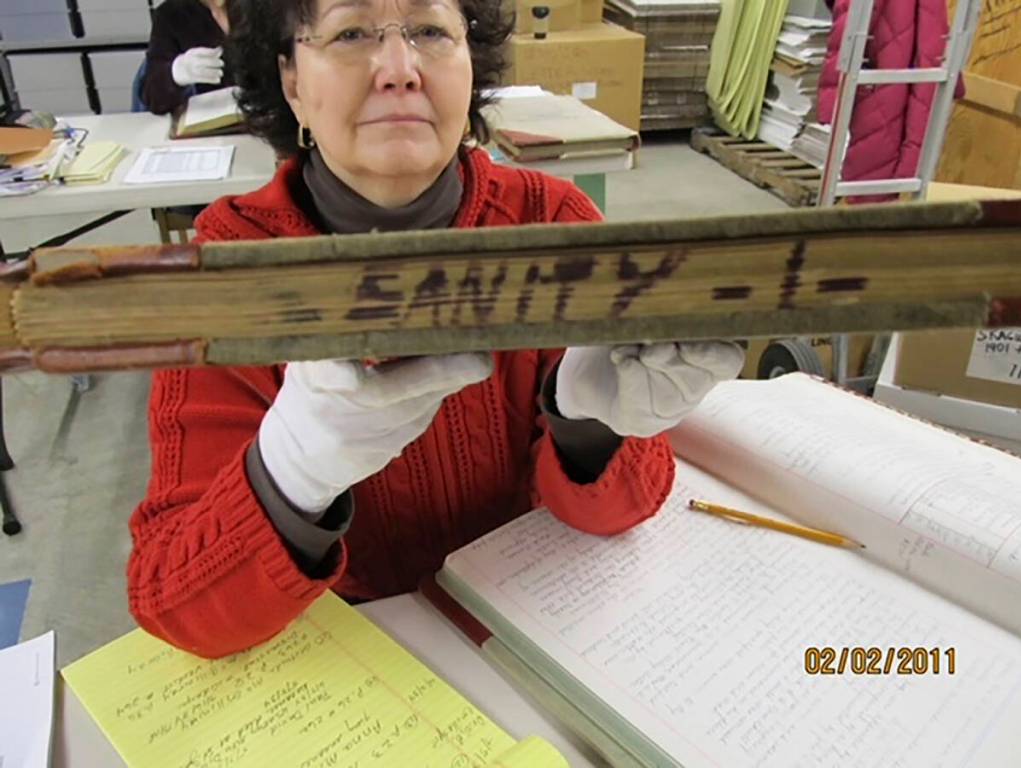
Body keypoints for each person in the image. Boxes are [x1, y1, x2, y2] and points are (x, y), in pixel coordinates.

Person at [126, 0, 745, 660]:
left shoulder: (552, 224)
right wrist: (285, 479)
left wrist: (591, 431)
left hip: (530, 639)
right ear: (291, 82)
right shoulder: (228, 271)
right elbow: (176, 604)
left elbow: (619, 512)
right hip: (351, 671)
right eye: (351, 33)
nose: (400, 69)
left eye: (429, 30)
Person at [142, 0, 234, 115]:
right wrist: (175, 73)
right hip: (211, 122)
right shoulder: (171, 14)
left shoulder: (258, 6)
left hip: (258, 120)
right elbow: (153, 96)